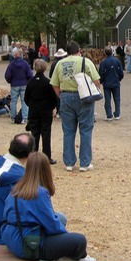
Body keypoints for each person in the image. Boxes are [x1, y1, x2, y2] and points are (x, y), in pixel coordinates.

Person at [1, 152, 97, 261]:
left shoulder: (16, 188)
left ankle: (65, 256)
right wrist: (66, 238)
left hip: (12, 238)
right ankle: (75, 257)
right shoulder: (40, 193)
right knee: (79, 241)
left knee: (61, 218)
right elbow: (52, 225)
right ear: (46, 170)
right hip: (29, 245)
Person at [51, 41, 102, 172]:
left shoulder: (60, 64)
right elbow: (97, 80)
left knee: (68, 130)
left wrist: (61, 96)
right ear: (78, 50)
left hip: (66, 96)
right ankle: (84, 162)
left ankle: (69, 162)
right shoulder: (85, 62)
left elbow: (54, 84)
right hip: (83, 97)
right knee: (85, 129)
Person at [25, 59, 60, 165]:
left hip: (34, 110)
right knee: (46, 134)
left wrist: (31, 105)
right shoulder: (47, 82)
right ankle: (46, 157)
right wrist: (53, 107)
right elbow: (54, 98)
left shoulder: (30, 82)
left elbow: (26, 98)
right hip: (45, 111)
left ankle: (33, 156)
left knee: (34, 133)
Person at [6, 48, 33, 124]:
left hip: (14, 84)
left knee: (13, 101)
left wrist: (10, 81)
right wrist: (27, 81)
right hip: (24, 84)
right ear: (21, 54)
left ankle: (13, 117)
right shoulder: (25, 64)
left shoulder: (11, 65)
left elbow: (7, 75)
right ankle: (24, 118)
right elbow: (30, 74)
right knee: (24, 101)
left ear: (15, 55)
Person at [98, 46, 124, 119]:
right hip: (115, 82)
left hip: (107, 83)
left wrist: (101, 81)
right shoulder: (117, 61)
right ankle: (117, 114)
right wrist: (119, 79)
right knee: (117, 99)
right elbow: (121, 72)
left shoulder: (103, 62)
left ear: (105, 53)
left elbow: (101, 73)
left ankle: (109, 114)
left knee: (107, 100)